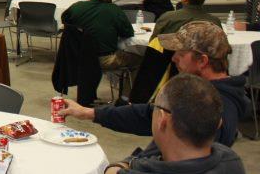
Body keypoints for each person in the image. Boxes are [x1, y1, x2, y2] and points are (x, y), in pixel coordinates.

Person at [60, 21, 249, 148]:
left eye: (181, 54)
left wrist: (132, 164)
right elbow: (149, 114)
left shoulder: (216, 110)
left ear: (203, 61)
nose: (174, 58)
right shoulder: (201, 93)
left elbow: (179, 161)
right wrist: (89, 113)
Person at [100, 74, 245, 174]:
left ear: (162, 119)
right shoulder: (231, 161)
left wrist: (116, 167)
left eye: (154, 108)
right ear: (218, 123)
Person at [62, 0, 140, 71]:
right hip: (104, 59)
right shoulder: (115, 11)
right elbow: (128, 33)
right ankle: (128, 85)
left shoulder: (76, 7)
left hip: (77, 56)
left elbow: (65, 21)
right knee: (141, 59)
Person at [151, 0, 220, 39]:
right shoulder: (214, 22)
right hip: (203, 55)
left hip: (170, 55)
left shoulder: (167, 18)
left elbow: (153, 44)